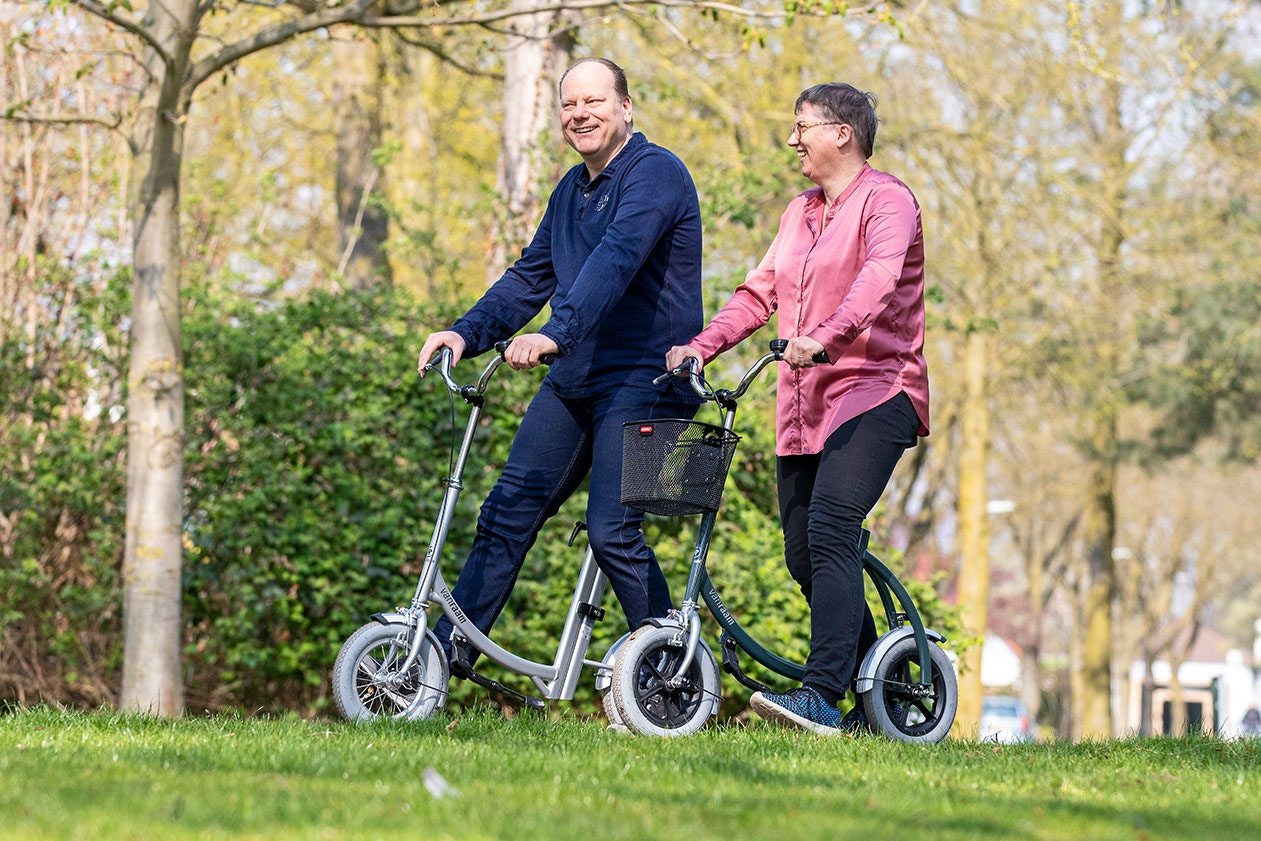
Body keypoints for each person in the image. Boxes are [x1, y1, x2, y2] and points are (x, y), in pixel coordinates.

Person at [417, 58, 703, 661]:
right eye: (570, 105)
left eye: (594, 102)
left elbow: (617, 261)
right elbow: (531, 275)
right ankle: (443, 661)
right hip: (578, 377)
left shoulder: (656, 174)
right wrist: (465, 334)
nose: (581, 114)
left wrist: (555, 334)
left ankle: (670, 676)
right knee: (504, 512)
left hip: (644, 378)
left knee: (612, 531)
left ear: (626, 107)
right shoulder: (572, 190)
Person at [666, 83, 929, 735]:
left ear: (842, 132)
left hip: (876, 389)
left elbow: (879, 276)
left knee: (833, 525)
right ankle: (881, 698)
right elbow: (758, 294)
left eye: (801, 126)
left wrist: (827, 335)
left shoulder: (887, 200)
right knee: (803, 555)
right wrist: (700, 347)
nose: (792, 139)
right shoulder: (798, 213)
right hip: (804, 406)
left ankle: (819, 693)